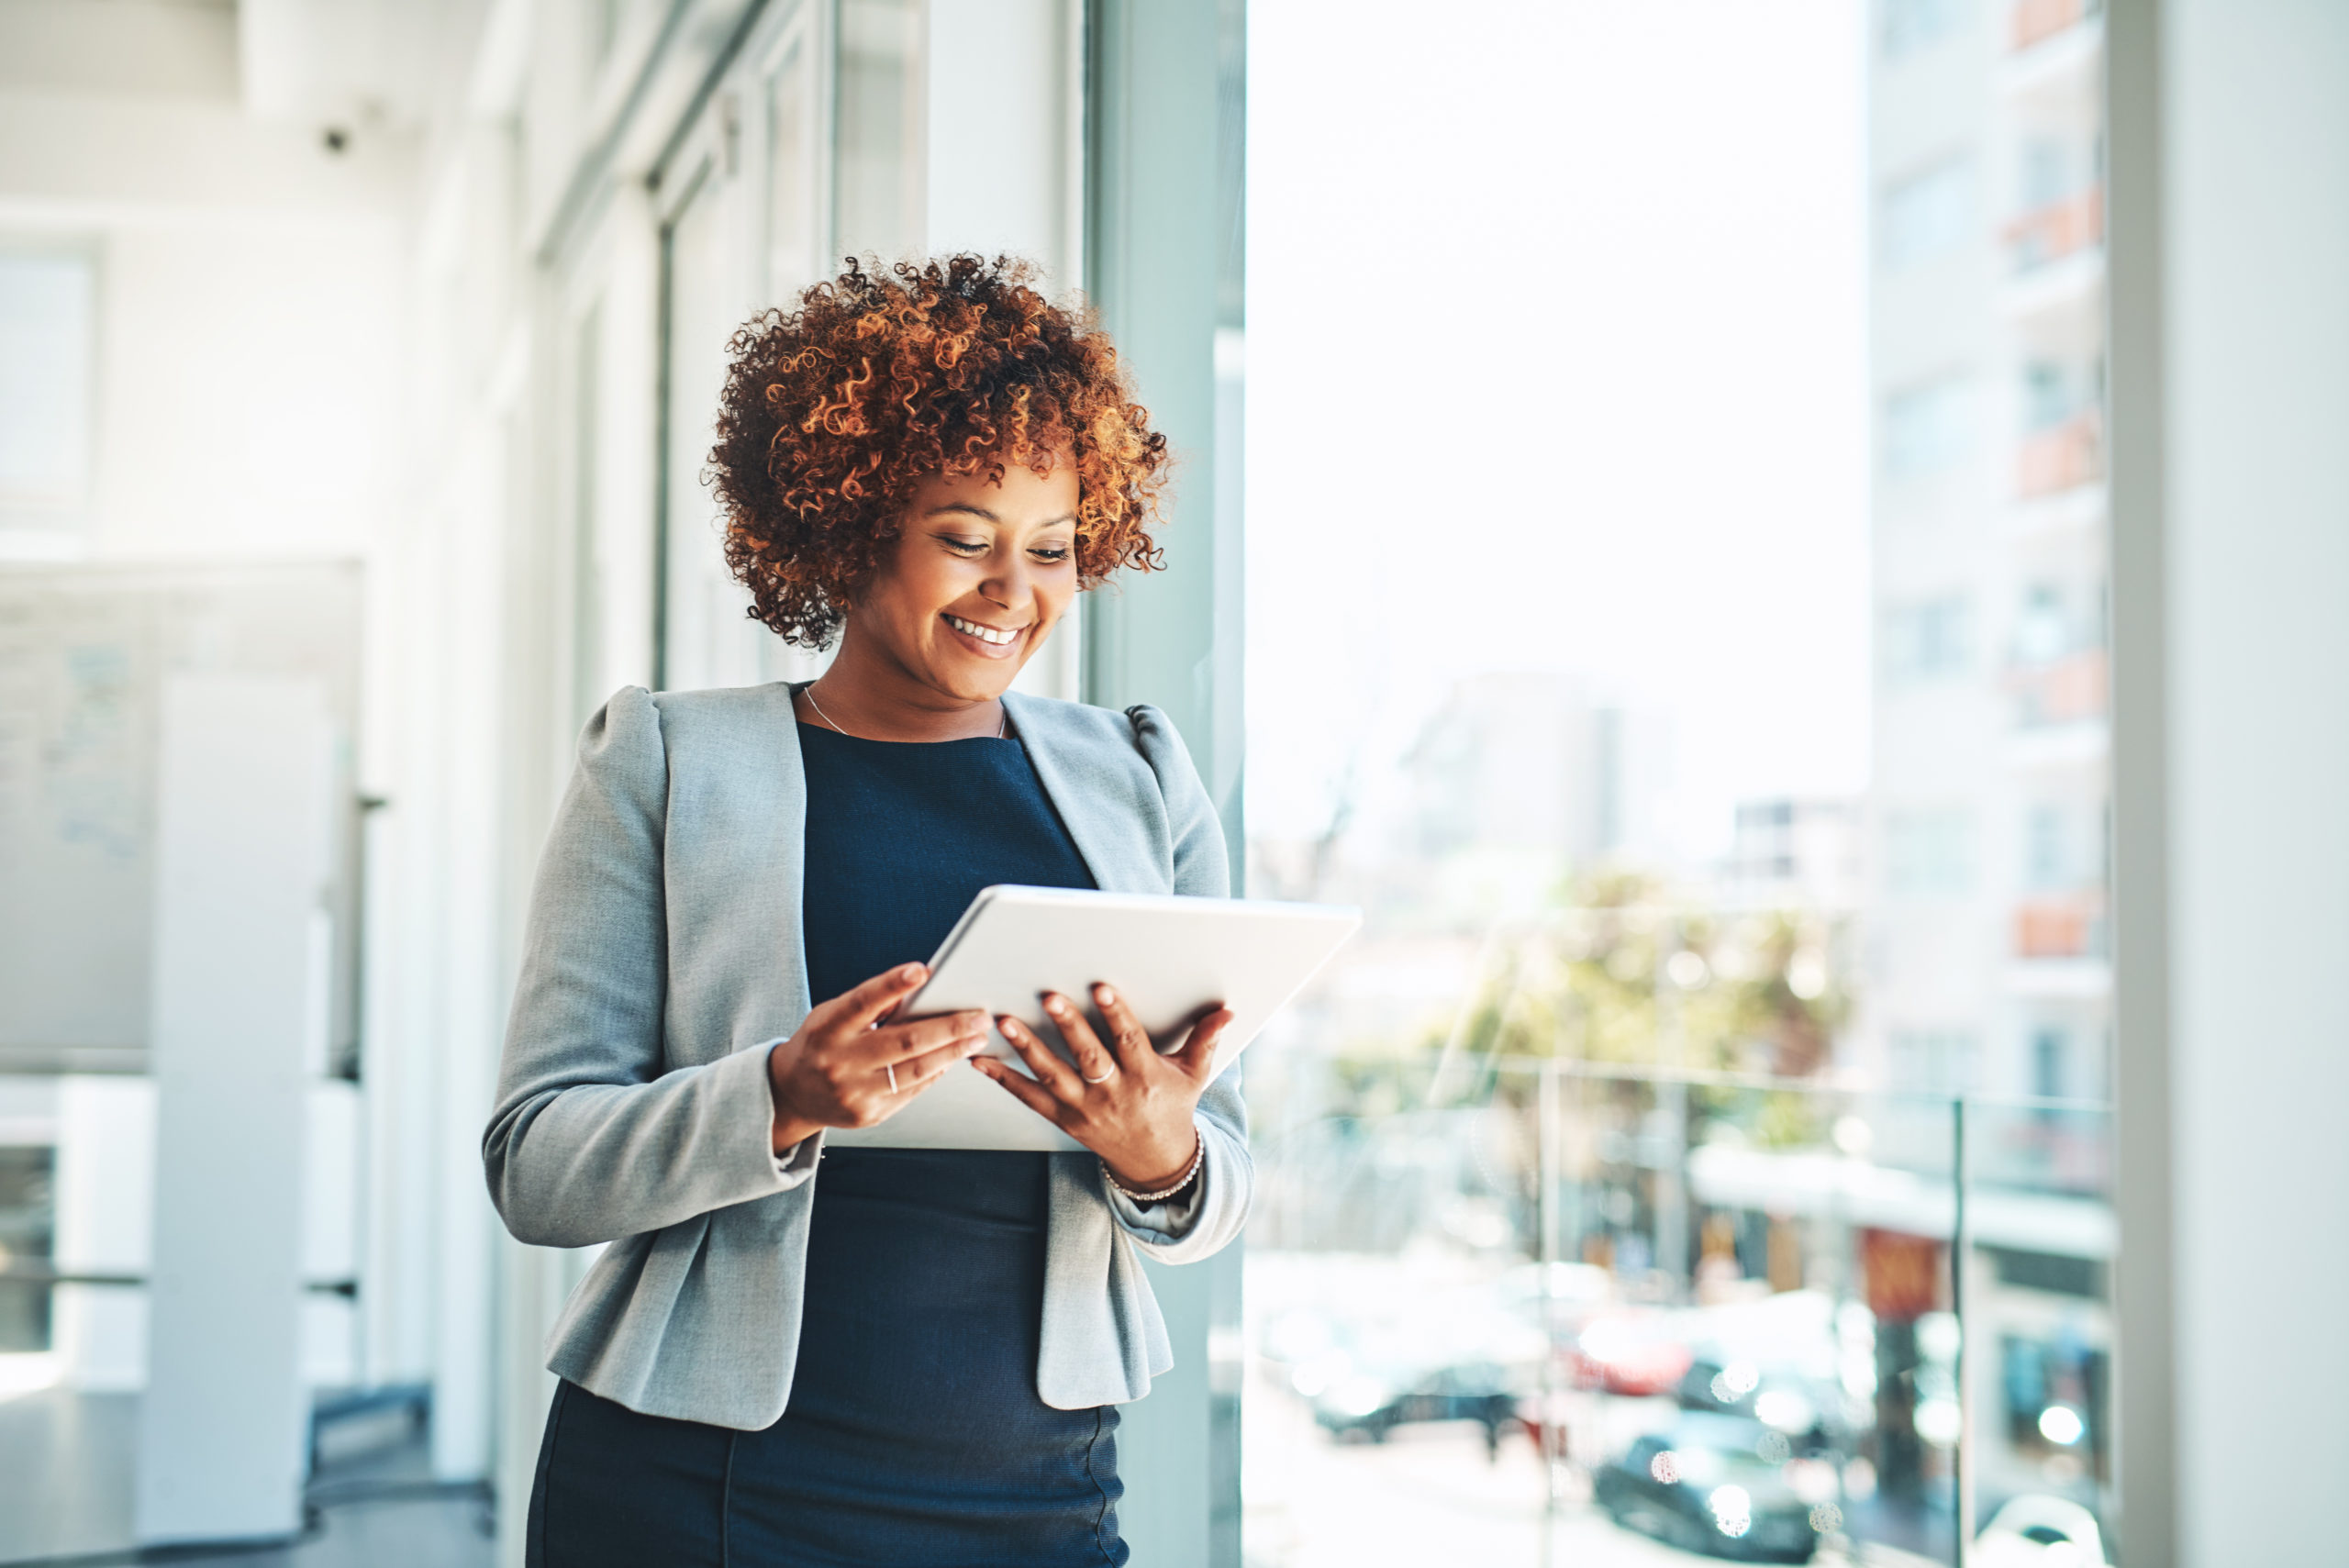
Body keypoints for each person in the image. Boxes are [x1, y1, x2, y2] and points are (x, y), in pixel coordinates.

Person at [484, 254, 1248, 1568]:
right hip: (703, 1494)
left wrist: (1159, 1149)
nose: (1016, 590)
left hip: (1037, 1501)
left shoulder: (1141, 777)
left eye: (1055, 548)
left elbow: (1219, 1175)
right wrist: (777, 1094)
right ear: (848, 523)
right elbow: (537, 1161)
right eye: (965, 536)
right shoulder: (665, 763)